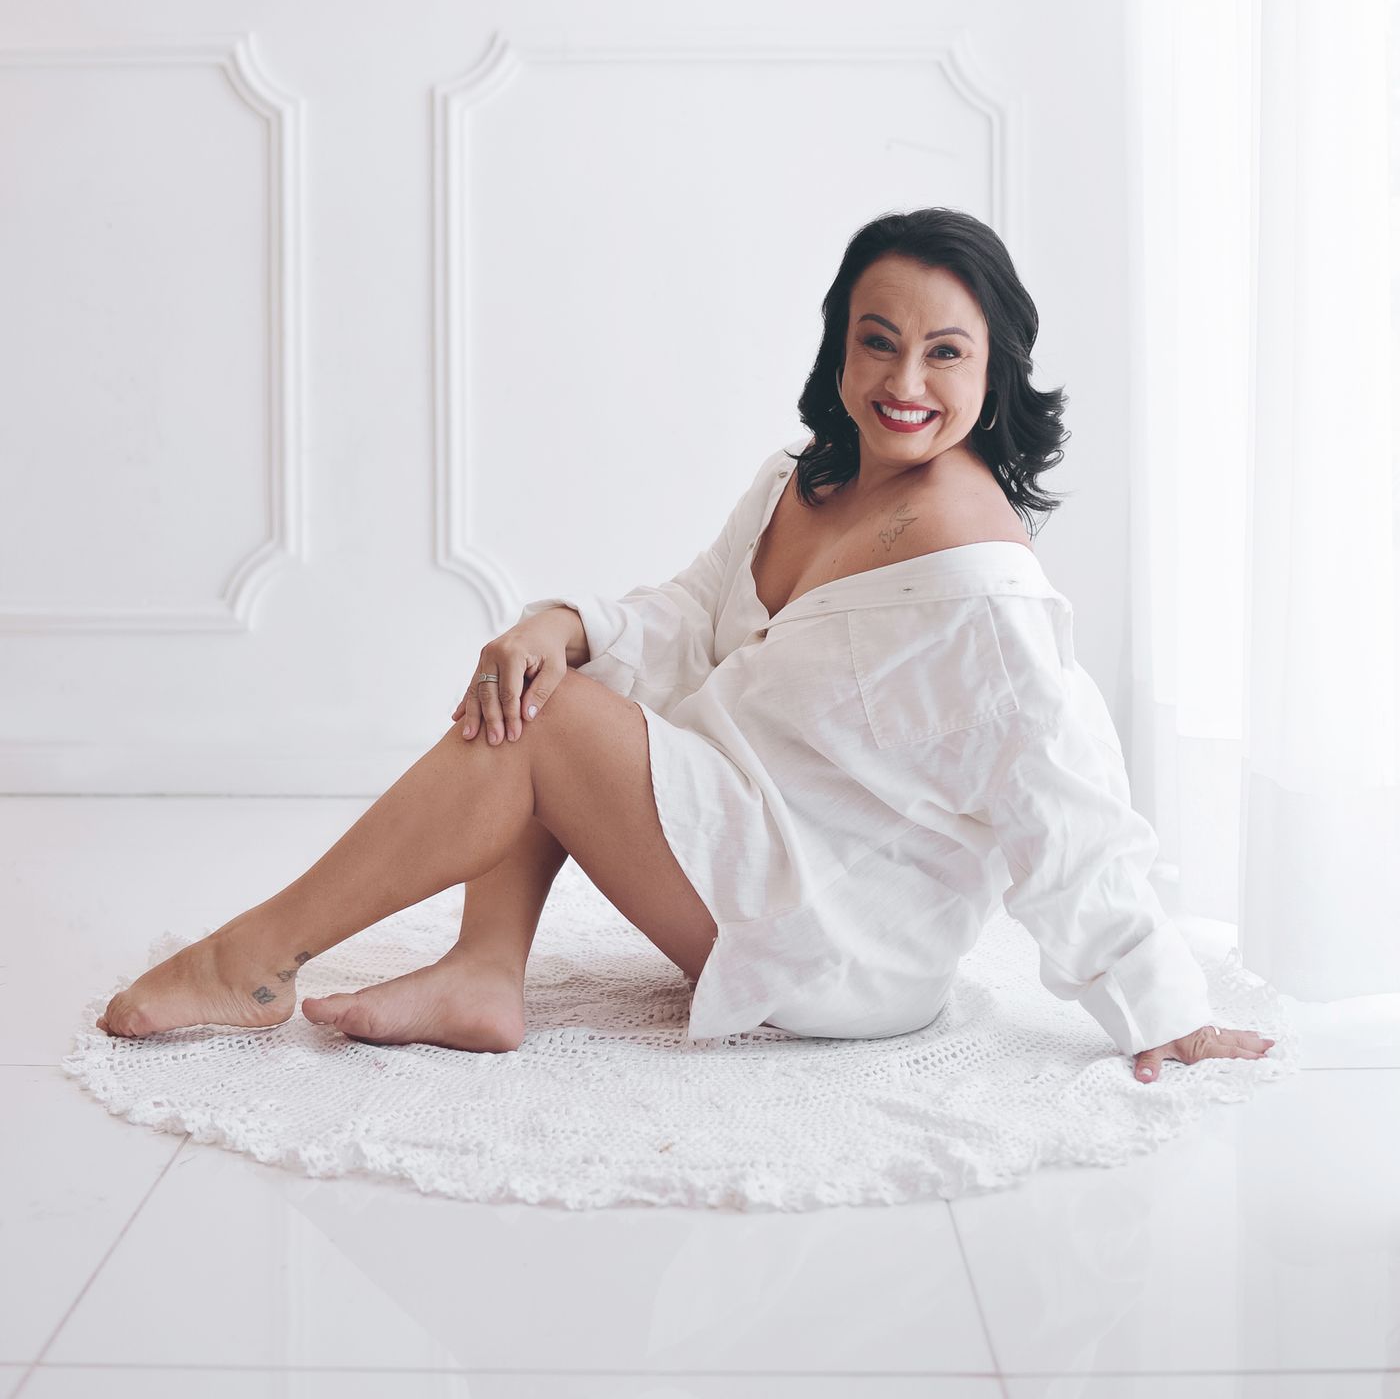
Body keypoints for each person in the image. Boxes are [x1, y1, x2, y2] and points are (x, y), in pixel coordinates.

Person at [99, 207, 1274, 1086]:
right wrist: (558, 623)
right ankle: (481, 971)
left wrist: (1157, 1003)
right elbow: (683, 616)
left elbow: (1058, 791)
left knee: (553, 720)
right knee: (552, 673)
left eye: (944, 353)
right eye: (876, 342)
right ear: (838, 348)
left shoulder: (976, 569)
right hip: (752, 836)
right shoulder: (804, 478)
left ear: (994, 368)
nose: (904, 382)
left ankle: (255, 958)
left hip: (843, 935)